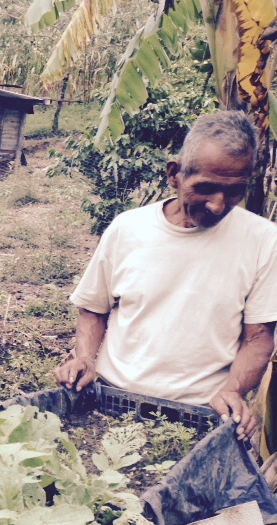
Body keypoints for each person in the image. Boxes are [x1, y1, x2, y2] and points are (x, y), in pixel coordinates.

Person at [54, 111, 277, 441]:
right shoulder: (127, 229)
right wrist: (85, 357)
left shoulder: (264, 241)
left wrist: (233, 390)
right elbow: (93, 308)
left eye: (233, 192)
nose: (218, 205)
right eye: (205, 188)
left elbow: (258, 338)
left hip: (201, 414)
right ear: (174, 175)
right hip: (112, 402)